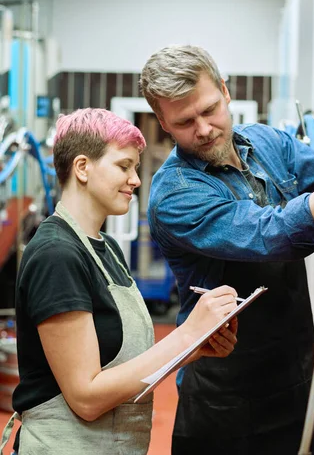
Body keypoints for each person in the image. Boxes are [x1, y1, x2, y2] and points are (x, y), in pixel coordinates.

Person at [140, 45, 314, 455]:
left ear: (225, 90)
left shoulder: (264, 141)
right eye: (185, 121)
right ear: (163, 122)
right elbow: (275, 235)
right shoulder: (176, 194)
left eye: (209, 109)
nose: (204, 129)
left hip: (296, 374)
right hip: (226, 400)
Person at [0, 108, 239, 455]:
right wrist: (184, 334)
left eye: (135, 168)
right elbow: (86, 396)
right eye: (123, 166)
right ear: (83, 168)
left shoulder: (107, 248)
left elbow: (123, 370)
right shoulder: (56, 254)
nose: (136, 180)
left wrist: (195, 346)